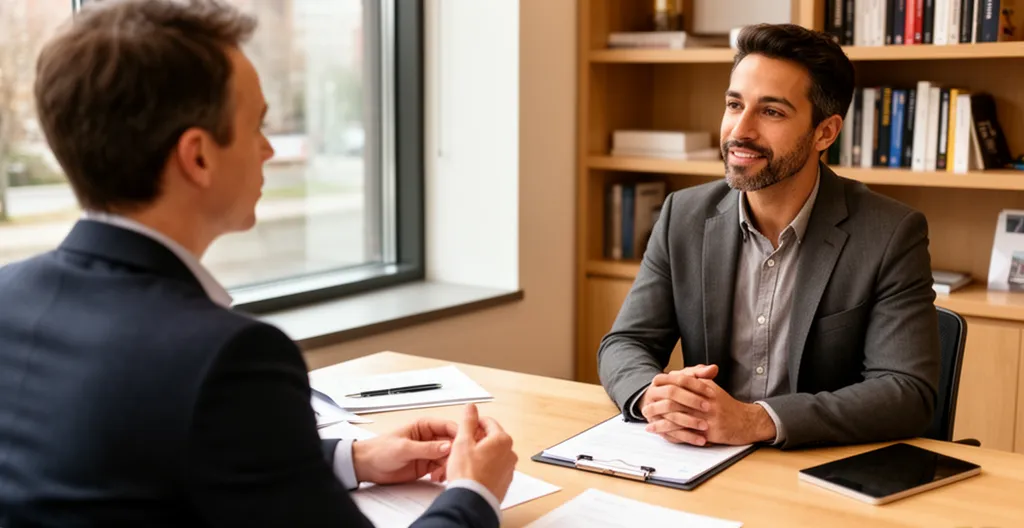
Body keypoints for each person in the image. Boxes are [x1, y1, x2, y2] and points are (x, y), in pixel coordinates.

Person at [0, 0, 516, 526]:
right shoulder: (229, 359)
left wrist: (351, 457)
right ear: (198, 156)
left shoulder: (8, 297)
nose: (269, 150)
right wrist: (474, 493)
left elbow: (130, 463)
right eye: (256, 126)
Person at [597, 23, 940, 450]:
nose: (741, 131)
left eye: (771, 111)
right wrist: (655, 396)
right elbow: (626, 342)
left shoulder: (890, 233)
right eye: (734, 104)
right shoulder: (682, 216)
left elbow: (907, 391)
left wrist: (757, 420)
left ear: (825, 132)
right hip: (701, 460)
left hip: (817, 470)